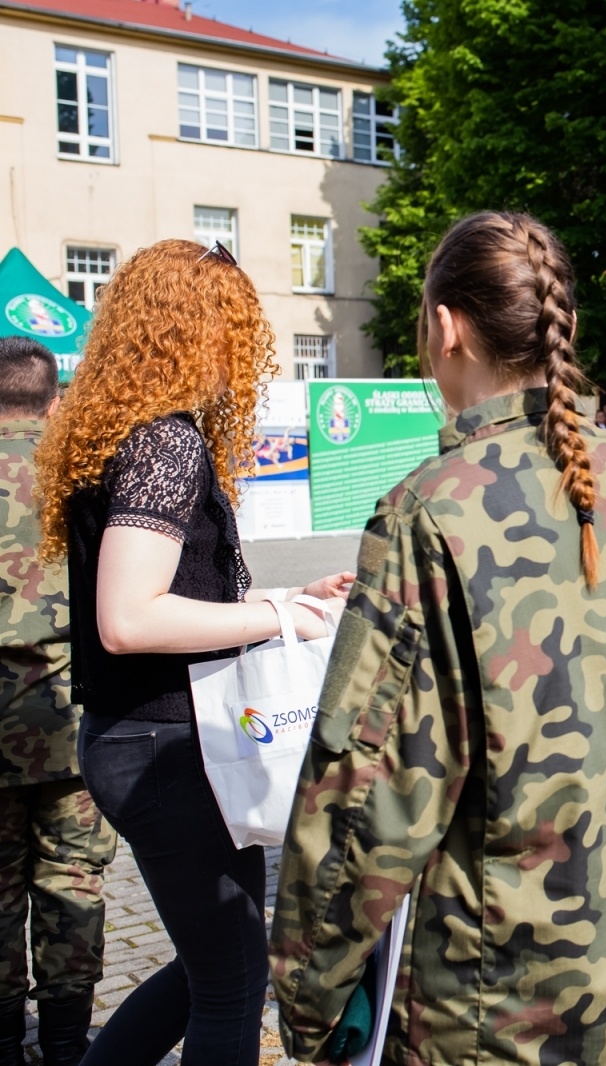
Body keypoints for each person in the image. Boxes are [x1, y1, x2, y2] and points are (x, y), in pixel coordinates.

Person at [270, 212, 606, 1063]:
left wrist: (309, 999)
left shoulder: (431, 509)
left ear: (446, 328)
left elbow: (367, 794)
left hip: (500, 1015)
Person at [32, 239, 353, 1066]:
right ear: (197, 333)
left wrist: (289, 597)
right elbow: (129, 619)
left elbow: (172, 593)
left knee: (208, 970)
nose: (240, 358)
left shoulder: (120, 434)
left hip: (141, 738)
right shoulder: (164, 443)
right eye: (234, 332)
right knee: (232, 985)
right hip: (165, 747)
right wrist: (273, 616)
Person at [0, 338, 115, 1066]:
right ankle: (68, 1046)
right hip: (72, 721)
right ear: (53, 401)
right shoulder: (85, 476)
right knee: (73, 879)